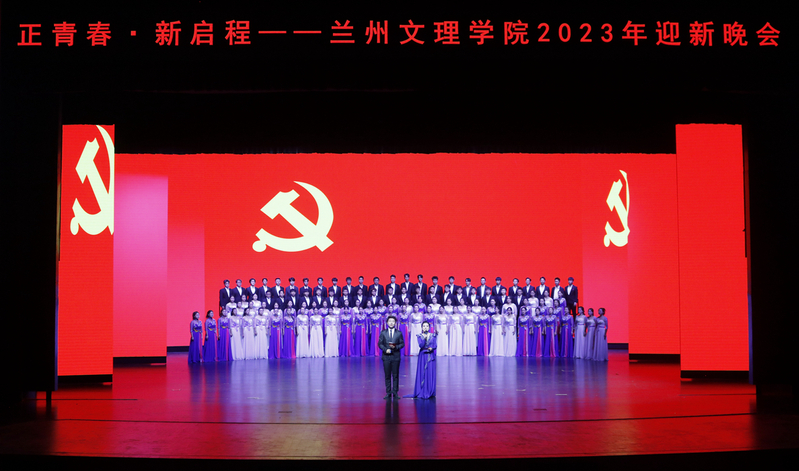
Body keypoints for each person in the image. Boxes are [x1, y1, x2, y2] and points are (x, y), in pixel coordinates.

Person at [403, 321, 436, 399]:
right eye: (424, 326)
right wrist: (424, 338)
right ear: (422, 328)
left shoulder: (433, 335)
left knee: (429, 372)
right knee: (422, 372)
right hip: (423, 355)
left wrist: (432, 348)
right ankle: (421, 390)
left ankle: (430, 390)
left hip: (430, 355)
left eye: (427, 326)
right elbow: (421, 345)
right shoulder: (419, 336)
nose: (425, 327)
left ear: (429, 327)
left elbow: (435, 345)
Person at [378, 315, 405, 399]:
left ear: (395, 323)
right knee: (387, 375)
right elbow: (380, 344)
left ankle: (395, 392)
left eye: (393, 321)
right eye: (390, 321)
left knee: (395, 375)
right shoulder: (383, 332)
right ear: (387, 322)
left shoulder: (399, 333)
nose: (391, 323)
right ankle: (388, 392)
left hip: (395, 356)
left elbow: (402, 344)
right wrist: (385, 349)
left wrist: (396, 347)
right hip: (386, 357)